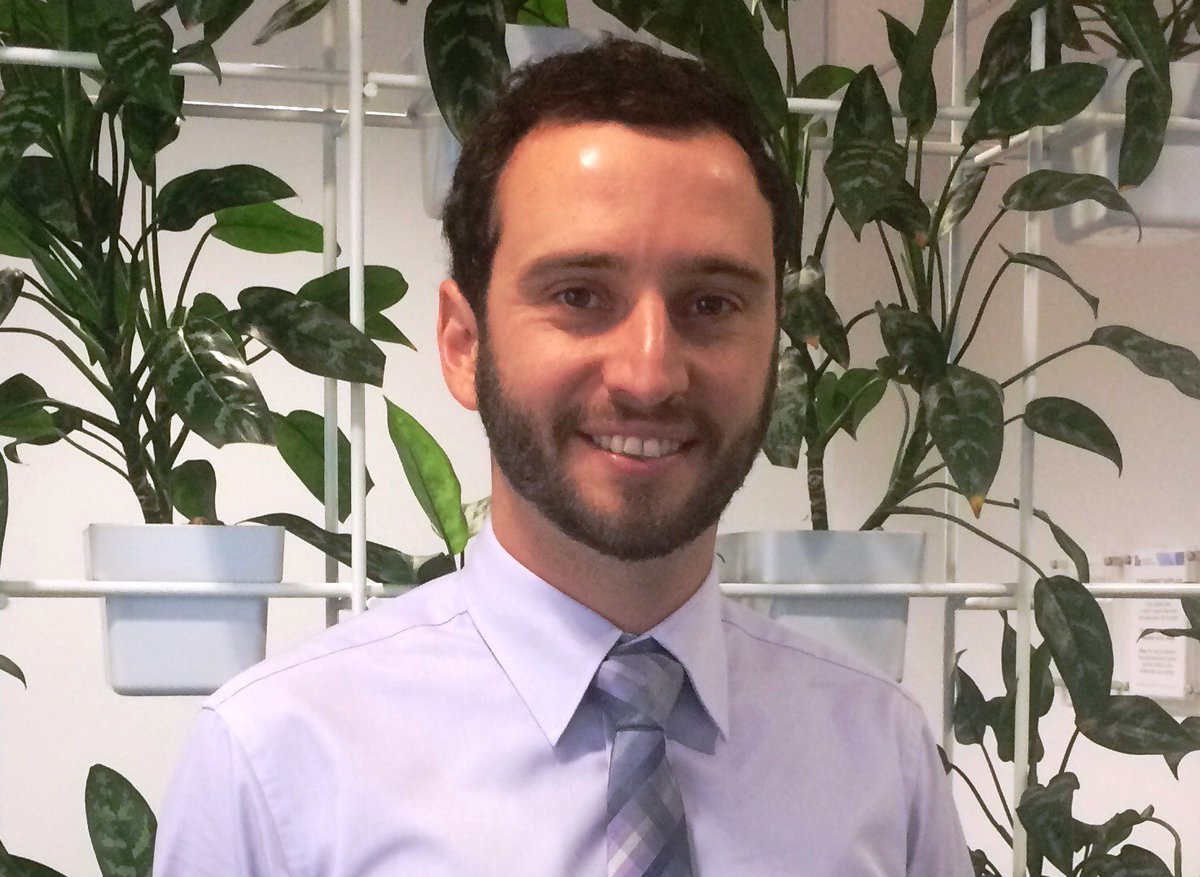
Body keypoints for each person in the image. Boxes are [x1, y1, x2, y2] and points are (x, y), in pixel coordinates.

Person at [154, 39, 973, 876]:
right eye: (579, 295)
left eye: (711, 303)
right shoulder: (276, 768)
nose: (649, 374)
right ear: (463, 342)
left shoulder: (882, 761)